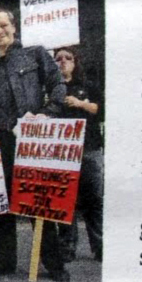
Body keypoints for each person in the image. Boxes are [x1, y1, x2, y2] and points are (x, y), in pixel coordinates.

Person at [0, 9, 69, 281]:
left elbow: (58, 85)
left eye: (3, 25)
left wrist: (47, 113)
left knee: (40, 200)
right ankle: (6, 262)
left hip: (32, 138)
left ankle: (54, 264)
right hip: (0, 140)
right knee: (1, 202)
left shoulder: (35, 54)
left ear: (14, 27)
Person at [53, 45, 103, 262]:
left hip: (89, 148)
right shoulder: (51, 89)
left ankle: (99, 245)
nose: (63, 61)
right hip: (62, 153)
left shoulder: (88, 85)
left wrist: (81, 103)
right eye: (58, 58)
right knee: (65, 201)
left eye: (68, 57)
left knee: (94, 199)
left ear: (75, 62)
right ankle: (66, 247)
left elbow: (101, 111)